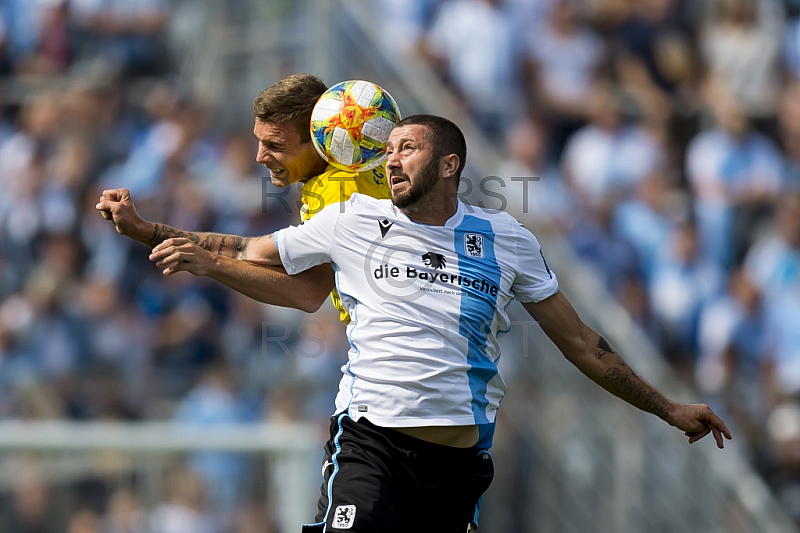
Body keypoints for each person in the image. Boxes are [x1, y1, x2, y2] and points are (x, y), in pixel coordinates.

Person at [141, 114, 732, 532]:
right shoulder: (352, 219)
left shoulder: (508, 239)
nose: (390, 159)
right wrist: (158, 235)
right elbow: (252, 248)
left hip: (458, 463)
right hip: (371, 442)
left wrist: (668, 408)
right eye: (388, 148)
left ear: (449, 164)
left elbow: (583, 343)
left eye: (407, 149)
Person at [96, 73, 389, 320]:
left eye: (275, 145)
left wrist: (202, 259)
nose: (260, 157)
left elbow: (307, 292)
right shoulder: (365, 167)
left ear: (318, 141)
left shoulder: (338, 192)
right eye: (258, 141)